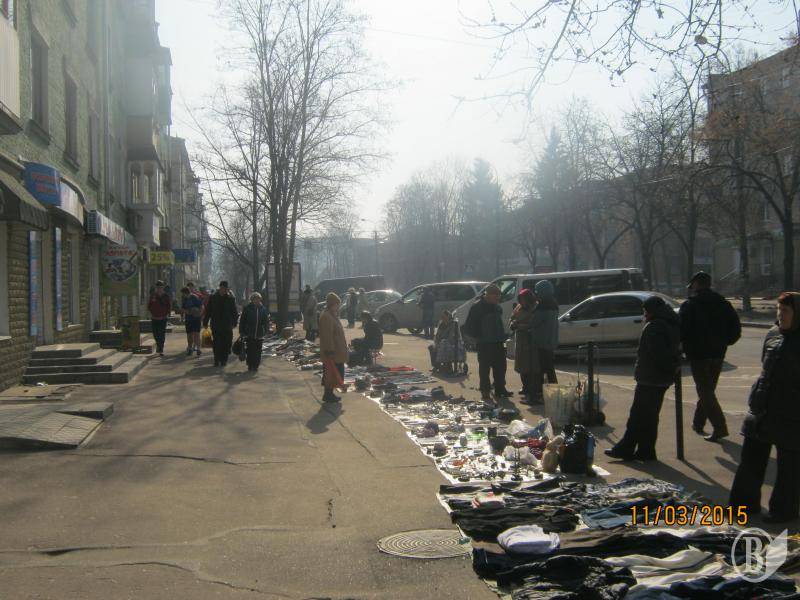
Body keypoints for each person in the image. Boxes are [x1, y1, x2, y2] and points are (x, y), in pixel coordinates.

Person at [729, 292, 800, 524]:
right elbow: (765, 369)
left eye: (786, 311)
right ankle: (743, 506)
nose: (781, 315)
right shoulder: (773, 334)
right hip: (761, 408)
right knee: (751, 460)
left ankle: (783, 511)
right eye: (779, 310)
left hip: (791, 414)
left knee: (789, 468)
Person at [605, 295, 680, 462]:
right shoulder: (671, 322)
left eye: (645, 311)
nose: (644, 314)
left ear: (651, 310)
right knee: (650, 416)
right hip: (661, 378)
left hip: (650, 377)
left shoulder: (655, 327)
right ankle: (645, 450)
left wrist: (667, 366)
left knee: (638, 415)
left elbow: (656, 353)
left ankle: (626, 448)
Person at [679, 271, 742, 442]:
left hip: (698, 354)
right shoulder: (723, 304)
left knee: (705, 391)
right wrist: (725, 342)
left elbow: (681, 330)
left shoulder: (690, 305)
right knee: (708, 390)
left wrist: (683, 347)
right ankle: (698, 422)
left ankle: (720, 427)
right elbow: (736, 329)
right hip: (718, 353)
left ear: (696, 285)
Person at [464, 284, 510, 402]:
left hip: (498, 341)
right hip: (484, 343)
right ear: (488, 295)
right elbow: (469, 326)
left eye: (498, 296)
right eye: (495, 296)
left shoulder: (497, 307)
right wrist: (476, 338)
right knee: (484, 369)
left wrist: (503, 337)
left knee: (501, 367)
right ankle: (485, 391)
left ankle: (500, 389)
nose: (497, 298)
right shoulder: (477, 307)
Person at [526, 280, 560, 404]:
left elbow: (533, 322)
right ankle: (554, 395)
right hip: (551, 340)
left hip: (541, 341)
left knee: (538, 371)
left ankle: (535, 396)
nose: (536, 294)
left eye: (537, 291)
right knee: (549, 369)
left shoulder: (542, 306)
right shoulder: (554, 304)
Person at [319, 293, 348, 402]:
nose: (338, 307)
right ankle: (328, 395)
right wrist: (329, 350)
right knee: (331, 373)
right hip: (333, 351)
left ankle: (329, 394)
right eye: (337, 304)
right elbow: (327, 336)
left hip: (336, 350)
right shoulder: (327, 316)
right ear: (332, 304)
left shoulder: (331, 315)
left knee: (333, 373)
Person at [203, 280, 239, 367]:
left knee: (227, 343)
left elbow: (234, 311)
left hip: (227, 325)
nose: (223, 290)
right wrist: (205, 321)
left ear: (227, 289)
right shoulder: (213, 298)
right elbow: (208, 310)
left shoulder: (230, 299)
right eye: (222, 288)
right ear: (219, 288)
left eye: (225, 288)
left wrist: (235, 322)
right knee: (217, 343)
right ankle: (217, 359)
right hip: (216, 324)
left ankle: (224, 360)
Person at [510, 289, 537, 401]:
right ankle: (525, 386)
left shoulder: (534, 308)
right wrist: (512, 324)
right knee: (520, 364)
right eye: (521, 299)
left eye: (524, 299)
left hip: (529, 339)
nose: (522, 301)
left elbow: (534, 324)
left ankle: (531, 388)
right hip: (520, 338)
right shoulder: (518, 307)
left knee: (529, 365)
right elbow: (512, 318)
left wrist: (521, 326)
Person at [239, 292, 270, 372]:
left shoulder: (263, 309)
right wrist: (241, 331)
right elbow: (242, 321)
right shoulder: (247, 308)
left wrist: (266, 330)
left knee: (258, 351)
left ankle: (256, 365)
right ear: (252, 300)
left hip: (259, 334)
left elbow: (266, 321)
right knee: (250, 350)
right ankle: (250, 364)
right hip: (249, 333)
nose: (257, 300)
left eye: (258, 299)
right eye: (255, 299)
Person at [147, 280, 172, 357]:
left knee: (161, 333)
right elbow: (149, 306)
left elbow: (168, 306)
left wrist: (168, 314)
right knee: (155, 333)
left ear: (163, 287)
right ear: (156, 288)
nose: (159, 289)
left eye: (160, 287)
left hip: (163, 318)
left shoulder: (166, 296)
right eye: (158, 287)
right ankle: (158, 345)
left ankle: (161, 349)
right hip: (154, 318)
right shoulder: (153, 296)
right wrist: (151, 313)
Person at [180, 286, 203, 356]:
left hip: (196, 319)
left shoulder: (194, 297)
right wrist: (185, 312)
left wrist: (198, 314)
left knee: (196, 334)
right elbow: (182, 308)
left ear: (185, 293)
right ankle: (190, 348)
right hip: (188, 319)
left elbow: (201, 306)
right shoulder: (184, 299)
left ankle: (198, 349)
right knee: (189, 335)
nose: (182, 295)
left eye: (183, 293)